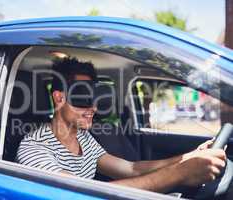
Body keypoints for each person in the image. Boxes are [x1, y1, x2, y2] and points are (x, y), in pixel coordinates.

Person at [16, 57, 226, 193]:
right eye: (83, 96)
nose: (94, 108)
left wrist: (187, 158)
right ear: (59, 98)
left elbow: (131, 169)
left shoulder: (82, 137)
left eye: (96, 97)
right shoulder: (34, 149)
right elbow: (80, 194)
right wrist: (180, 174)